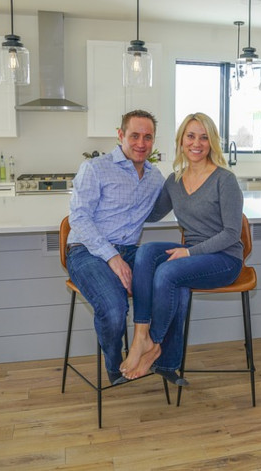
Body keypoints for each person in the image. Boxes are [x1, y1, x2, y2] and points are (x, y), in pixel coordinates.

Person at [120, 112, 244, 384]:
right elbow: (151, 214)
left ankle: (153, 344)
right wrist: (131, 185)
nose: (196, 143)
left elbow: (232, 234)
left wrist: (188, 252)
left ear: (211, 142)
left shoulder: (225, 180)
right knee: (147, 253)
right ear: (181, 140)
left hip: (224, 259)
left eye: (203, 137)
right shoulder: (174, 181)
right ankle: (141, 337)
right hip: (194, 256)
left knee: (167, 273)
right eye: (190, 136)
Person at [66, 110, 164, 385]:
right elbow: (79, 218)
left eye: (148, 137)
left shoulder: (155, 178)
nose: (141, 143)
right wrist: (111, 257)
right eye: (134, 135)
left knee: (172, 282)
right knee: (113, 308)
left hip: (131, 251)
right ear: (120, 135)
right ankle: (115, 366)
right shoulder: (95, 168)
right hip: (86, 250)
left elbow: (166, 206)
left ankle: (155, 353)